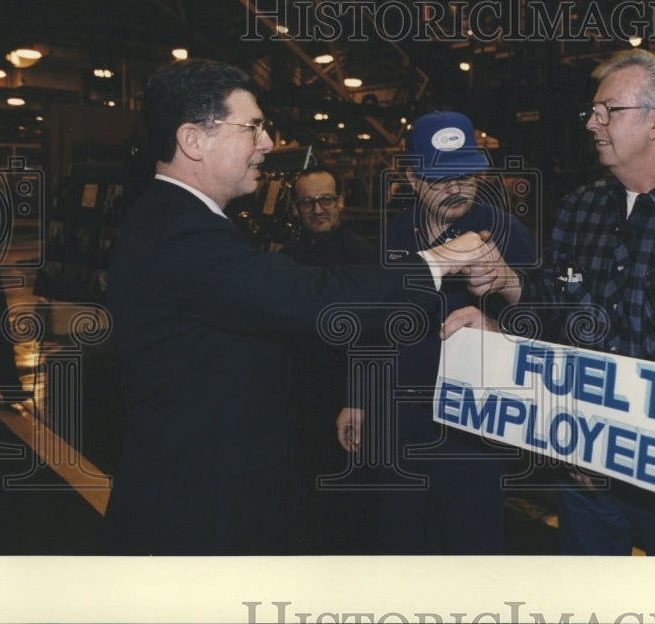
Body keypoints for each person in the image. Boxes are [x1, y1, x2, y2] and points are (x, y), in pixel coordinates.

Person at [99, 59, 490, 555]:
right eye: (253, 127)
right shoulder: (180, 231)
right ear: (193, 140)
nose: (267, 143)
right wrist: (436, 262)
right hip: (199, 503)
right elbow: (307, 297)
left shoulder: (178, 219)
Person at [446, 49, 655, 555]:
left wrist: (611, 440)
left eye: (608, 110)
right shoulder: (581, 208)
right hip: (582, 466)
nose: (593, 123)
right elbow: (555, 309)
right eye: (592, 112)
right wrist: (503, 308)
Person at [338, 110, 537, 554]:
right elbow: (372, 327)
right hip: (402, 422)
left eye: (465, 175)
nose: (455, 188)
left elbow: (545, 324)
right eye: (439, 177)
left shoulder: (509, 233)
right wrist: (357, 397)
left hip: (474, 429)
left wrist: (504, 301)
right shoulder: (393, 236)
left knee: (473, 550)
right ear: (410, 176)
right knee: (405, 546)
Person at [277, 166, 377, 553]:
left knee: (346, 506)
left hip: (346, 402)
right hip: (301, 397)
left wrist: (357, 399)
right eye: (306, 201)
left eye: (326, 200)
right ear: (296, 207)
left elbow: (371, 338)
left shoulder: (363, 257)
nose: (317, 209)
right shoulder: (288, 257)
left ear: (341, 203)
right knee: (305, 499)